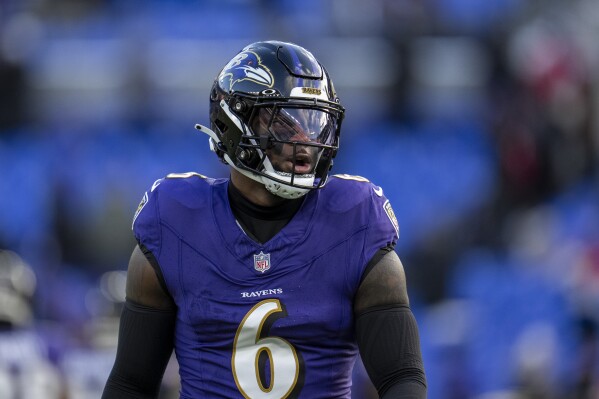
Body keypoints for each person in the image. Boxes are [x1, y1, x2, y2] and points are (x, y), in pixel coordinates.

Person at [102, 40, 426, 398]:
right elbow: (131, 384)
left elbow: (402, 377)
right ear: (234, 121)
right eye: (285, 125)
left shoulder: (354, 220)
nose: (306, 143)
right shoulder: (176, 222)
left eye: (316, 122)